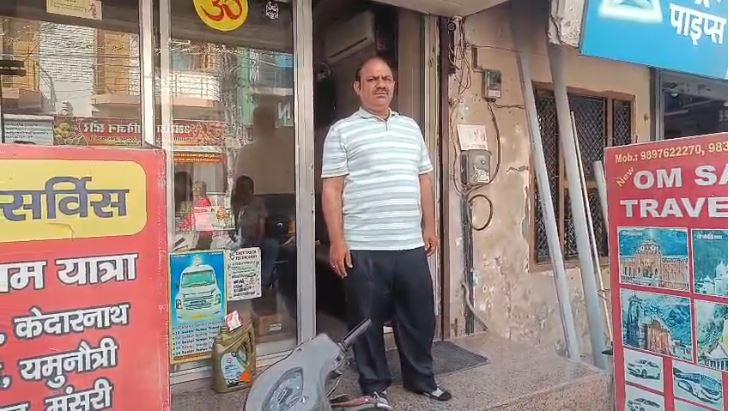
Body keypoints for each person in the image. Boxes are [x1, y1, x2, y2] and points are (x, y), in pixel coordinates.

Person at [321, 56, 451, 407]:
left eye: (387, 78)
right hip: (364, 246)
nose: (381, 84)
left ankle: (421, 379)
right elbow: (332, 189)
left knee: (419, 317)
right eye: (372, 79)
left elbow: (424, 179)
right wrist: (337, 240)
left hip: (409, 245)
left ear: (393, 84)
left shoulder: (410, 127)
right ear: (357, 87)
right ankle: (374, 384)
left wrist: (430, 226)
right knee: (367, 322)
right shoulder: (342, 131)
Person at [231, 175, 279, 287]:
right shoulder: (233, 203)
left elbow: (261, 225)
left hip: (256, 238)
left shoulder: (258, 202)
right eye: (241, 189)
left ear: (252, 190)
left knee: (272, 245)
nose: (244, 192)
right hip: (236, 239)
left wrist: (257, 241)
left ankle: (263, 280)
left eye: (246, 189)